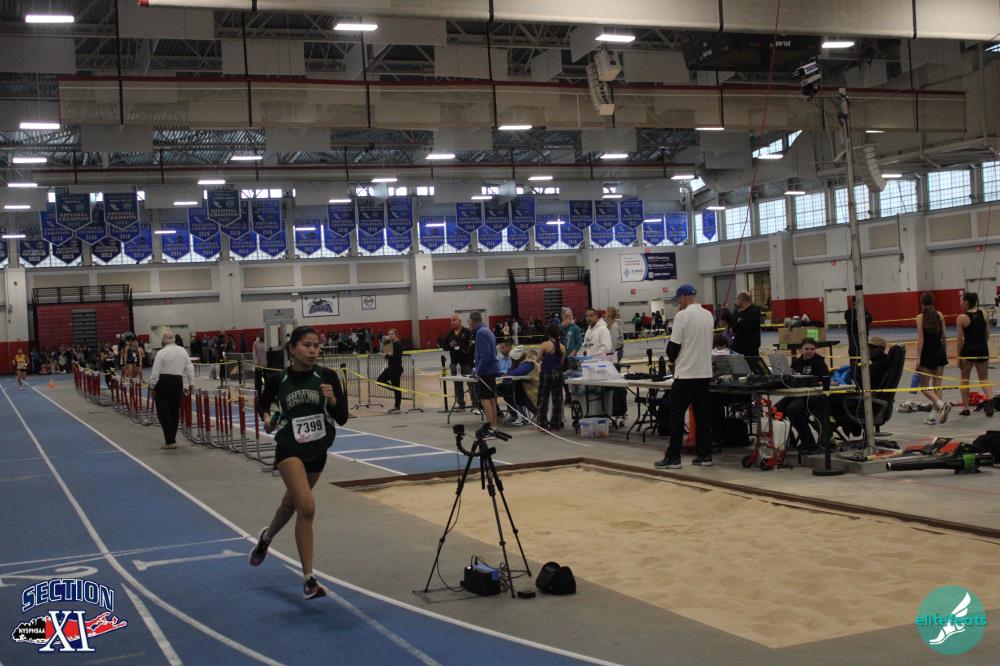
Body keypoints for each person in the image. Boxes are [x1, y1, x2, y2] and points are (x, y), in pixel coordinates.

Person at [250, 326, 349, 600]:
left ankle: (266, 538)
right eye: (307, 345)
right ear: (292, 349)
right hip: (289, 448)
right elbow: (262, 403)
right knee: (306, 507)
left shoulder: (328, 377)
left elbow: (342, 417)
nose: (313, 350)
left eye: (317, 346)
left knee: (290, 504)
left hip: (318, 450)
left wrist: (332, 399)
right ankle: (309, 580)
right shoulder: (278, 380)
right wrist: (267, 419)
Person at [656, 284, 714, 469]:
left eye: (678, 300)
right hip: (704, 373)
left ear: (683, 297)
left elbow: (673, 347)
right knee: (702, 415)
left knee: (676, 415)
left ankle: (673, 457)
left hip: (686, 374)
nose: (678, 303)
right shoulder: (708, 315)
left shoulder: (682, 316)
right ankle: (705, 455)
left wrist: (672, 357)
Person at [773, 338, 829, 454]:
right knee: (775, 410)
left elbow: (824, 380)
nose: (809, 351)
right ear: (801, 350)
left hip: (811, 395)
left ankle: (810, 444)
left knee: (792, 410)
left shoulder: (819, 362)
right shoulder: (796, 363)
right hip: (796, 393)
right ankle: (791, 441)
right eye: (806, 349)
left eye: (812, 349)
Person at [149, 332, 195, 450]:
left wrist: (152, 387)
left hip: (163, 382)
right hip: (177, 382)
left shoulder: (161, 353)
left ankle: (169, 441)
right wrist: (191, 383)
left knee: (163, 413)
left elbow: (155, 372)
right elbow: (190, 368)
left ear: (164, 340)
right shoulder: (183, 351)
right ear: (173, 339)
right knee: (174, 412)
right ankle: (171, 439)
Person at [957, 291, 993, 417]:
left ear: (966, 302)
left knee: (964, 380)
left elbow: (959, 340)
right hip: (982, 349)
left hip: (968, 351)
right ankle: (990, 402)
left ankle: (966, 408)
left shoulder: (961, 318)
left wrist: (959, 357)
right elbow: (987, 334)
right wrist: (981, 344)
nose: (960, 303)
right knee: (984, 379)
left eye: (961, 301)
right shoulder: (984, 314)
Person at [916, 292, 950, 425]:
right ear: (933, 302)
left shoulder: (920, 317)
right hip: (939, 352)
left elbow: (921, 339)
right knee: (937, 385)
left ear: (921, 303)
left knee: (924, 388)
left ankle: (941, 406)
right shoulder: (940, 315)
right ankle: (932, 416)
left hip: (927, 354)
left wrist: (918, 358)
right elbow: (944, 336)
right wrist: (944, 353)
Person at [469, 312, 499, 428]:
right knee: (491, 399)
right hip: (491, 369)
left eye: (469, 321)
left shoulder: (481, 333)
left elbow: (485, 354)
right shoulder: (488, 330)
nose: (469, 324)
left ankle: (490, 426)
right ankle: (494, 426)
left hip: (486, 371)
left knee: (485, 400)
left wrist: (479, 371)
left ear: (473, 321)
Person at [440, 313, 475, 411]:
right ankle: (461, 404)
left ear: (460, 321)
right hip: (455, 364)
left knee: (472, 384)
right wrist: (450, 345)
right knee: (457, 385)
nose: (452, 322)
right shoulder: (449, 334)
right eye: (450, 320)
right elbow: (444, 346)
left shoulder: (467, 332)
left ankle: (475, 403)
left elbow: (472, 346)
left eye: (454, 320)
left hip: (467, 363)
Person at [536, 324, 566, 431]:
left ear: (548, 333)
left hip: (546, 373)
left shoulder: (544, 345)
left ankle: (542, 423)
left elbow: (538, 360)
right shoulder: (562, 347)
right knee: (557, 399)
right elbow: (561, 363)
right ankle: (556, 423)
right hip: (557, 373)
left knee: (543, 398)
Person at [503, 346, 540, 425]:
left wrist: (512, 368)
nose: (511, 361)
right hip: (529, 389)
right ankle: (516, 415)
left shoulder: (529, 363)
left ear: (517, 359)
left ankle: (522, 417)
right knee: (507, 388)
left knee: (513, 389)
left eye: (512, 360)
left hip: (534, 390)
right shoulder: (526, 362)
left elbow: (515, 373)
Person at [378, 328, 404, 414]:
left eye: (392, 334)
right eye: (389, 334)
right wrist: (385, 352)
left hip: (396, 368)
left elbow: (395, 358)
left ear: (396, 335)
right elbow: (387, 356)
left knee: (396, 387)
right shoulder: (389, 343)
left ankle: (397, 406)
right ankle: (396, 390)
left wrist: (385, 355)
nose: (390, 335)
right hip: (390, 368)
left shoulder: (398, 345)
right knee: (379, 380)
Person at [844, 304, 873, 380]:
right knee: (854, 353)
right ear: (854, 303)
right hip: (853, 335)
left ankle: (864, 373)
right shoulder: (849, 312)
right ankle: (854, 374)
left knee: (864, 353)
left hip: (864, 334)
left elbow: (870, 319)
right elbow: (853, 323)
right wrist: (862, 319)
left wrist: (860, 318)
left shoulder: (864, 310)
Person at [730, 291, 761, 359]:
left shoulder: (753, 312)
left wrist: (736, 327)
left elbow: (741, 327)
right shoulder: (739, 313)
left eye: (737, 299)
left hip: (749, 351)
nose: (735, 301)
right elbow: (733, 326)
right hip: (739, 350)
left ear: (742, 300)